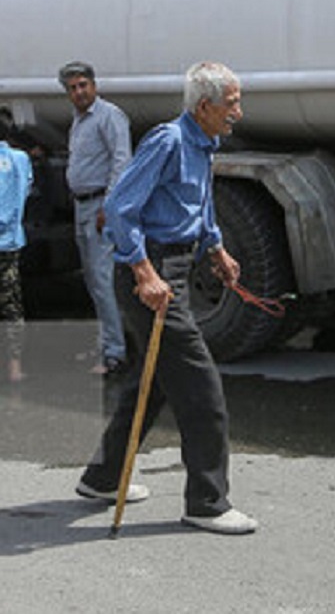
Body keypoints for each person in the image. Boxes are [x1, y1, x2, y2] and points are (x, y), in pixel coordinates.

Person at [76, 62, 258, 535]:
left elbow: (199, 202)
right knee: (202, 390)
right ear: (204, 106)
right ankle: (207, 503)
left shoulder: (204, 143)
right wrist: (144, 273)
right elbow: (118, 207)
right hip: (149, 273)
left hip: (176, 264)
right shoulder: (169, 140)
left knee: (153, 382)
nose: (237, 111)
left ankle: (103, 477)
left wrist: (216, 247)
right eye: (231, 102)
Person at [58, 61, 132, 377]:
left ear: (94, 85)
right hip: (82, 206)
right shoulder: (79, 121)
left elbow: (121, 161)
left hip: (100, 205)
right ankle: (106, 343)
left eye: (83, 85)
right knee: (92, 280)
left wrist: (109, 206)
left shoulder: (108, 116)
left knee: (103, 280)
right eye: (72, 88)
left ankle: (116, 353)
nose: (78, 92)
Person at [0, 111, 33, 383]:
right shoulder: (21, 159)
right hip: (11, 241)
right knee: (11, 303)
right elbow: (27, 190)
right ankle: (14, 365)